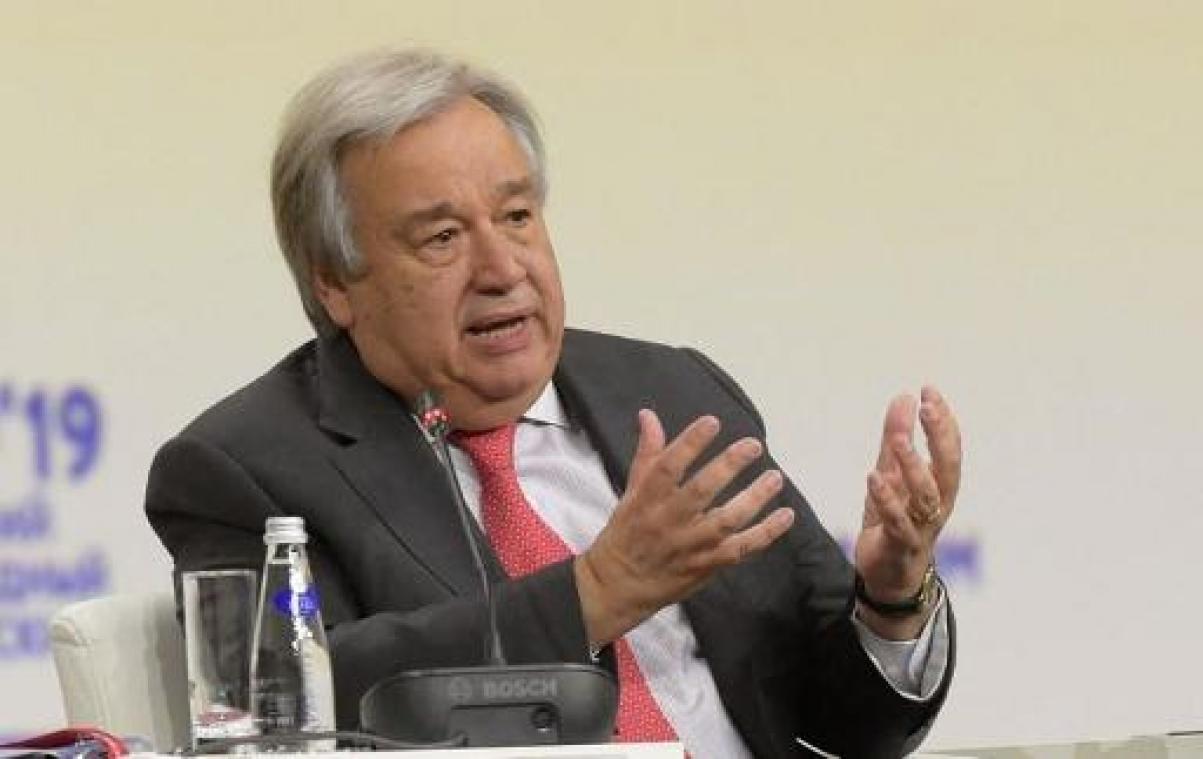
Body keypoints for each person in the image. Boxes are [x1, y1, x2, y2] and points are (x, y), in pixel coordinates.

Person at [146, 48, 961, 758]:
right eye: (441, 237)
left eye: (516, 216)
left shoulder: (674, 395)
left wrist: (891, 597)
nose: (503, 268)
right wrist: (591, 595)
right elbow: (283, 713)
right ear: (334, 281)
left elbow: (853, 726)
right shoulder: (242, 467)